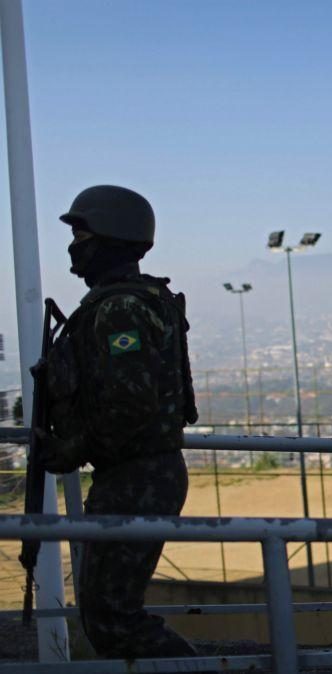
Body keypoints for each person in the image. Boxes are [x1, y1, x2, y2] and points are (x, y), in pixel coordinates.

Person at [41, 185, 198, 658]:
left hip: (138, 477)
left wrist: (71, 448)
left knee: (113, 616)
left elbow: (130, 404)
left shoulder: (119, 309)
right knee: (107, 612)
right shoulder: (128, 301)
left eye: (82, 233)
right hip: (133, 474)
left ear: (111, 237)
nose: (75, 244)